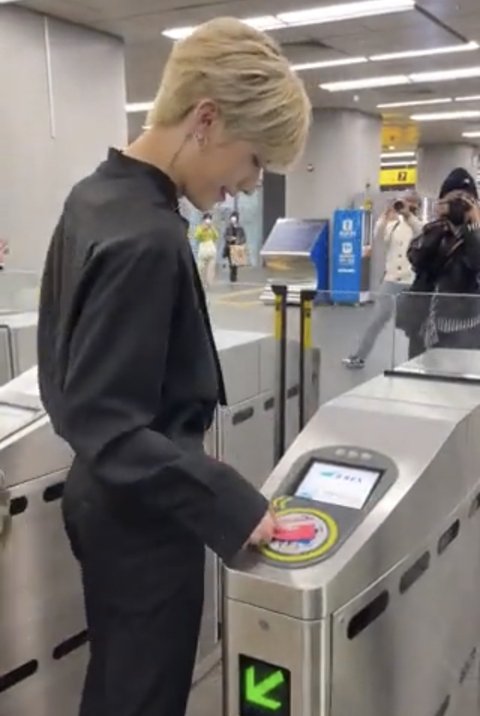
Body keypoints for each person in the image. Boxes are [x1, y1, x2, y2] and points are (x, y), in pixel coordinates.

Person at [36, 17, 311, 716]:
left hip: (103, 498)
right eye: (253, 160)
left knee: (116, 683)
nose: (248, 184)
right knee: (145, 697)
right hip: (144, 516)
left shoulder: (93, 197)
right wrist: (228, 502)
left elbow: (75, 387)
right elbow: (108, 419)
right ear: (207, 120)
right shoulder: (149, 237)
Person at [397, 168, 480, 360]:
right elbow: (415, 258)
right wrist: (439, 225)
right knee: (418, 376)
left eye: (466, 201)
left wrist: (475, 226)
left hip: (464, 329)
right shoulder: (435, 231)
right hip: (424, 325)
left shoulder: (475, 236)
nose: (460, 205)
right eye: (454, 200)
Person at [343, 192, 423, 368]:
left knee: (415, 326)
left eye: (409, 202)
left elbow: (420, 232)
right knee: (376, 320)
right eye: (402, 202)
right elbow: (378, 234)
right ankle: (359, 356)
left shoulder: (422, 224)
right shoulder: (394, 226)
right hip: (391, 279)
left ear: (417, 205)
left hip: (412, 281)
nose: (404, 205)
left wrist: (408, 215)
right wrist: (386, 214)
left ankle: (417, 362)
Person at [194, 213, 219, 289]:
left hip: (211, 247)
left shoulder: (212, 228)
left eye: (209, 219)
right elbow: (196, 236)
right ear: (203, 220)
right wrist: (203, 229)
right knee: (201, 267)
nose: (208, 221)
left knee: (210, 268)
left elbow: (216, 236)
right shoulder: (200, 227)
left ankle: (209, 283)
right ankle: (201, 282)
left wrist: (212, 228)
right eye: (206, 219)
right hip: (203, 247)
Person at [223, 211, 246, 283]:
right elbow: (225, 236)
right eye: (232, 217)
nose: (233, 219)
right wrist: (230, 238)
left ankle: (234, 276)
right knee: (231, 262)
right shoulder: (228, 227)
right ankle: (232, 277)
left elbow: (244, 238)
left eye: (234, 217)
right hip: (229, 247)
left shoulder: (240, 228)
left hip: (237, 247)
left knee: (235, 263)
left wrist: (239, 241)